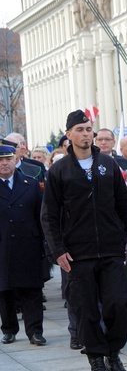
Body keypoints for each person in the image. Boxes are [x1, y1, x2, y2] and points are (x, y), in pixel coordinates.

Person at [41, 110, 127, 371]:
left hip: (111, 251)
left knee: (118, 305)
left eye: (89, 128)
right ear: (69, 135)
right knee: (85, 312)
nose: (86, 134)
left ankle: (114, 356)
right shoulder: (59, 170)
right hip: (77, 255)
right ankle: (96, 363)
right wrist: (57, 251)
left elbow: (125, 207)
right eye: (79, 129)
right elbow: (49, 215)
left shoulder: (107, 164)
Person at [0, 144, 46, 346]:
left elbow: (41, 217)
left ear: (15, 160)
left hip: (28, 244)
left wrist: (45, 245)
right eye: (0, 160)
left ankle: (35, 331)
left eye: (8, 159)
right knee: (4, 291)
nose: (4, 163)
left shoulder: (30, 183)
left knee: (31, 291)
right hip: (2, 246)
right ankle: (9, 329)